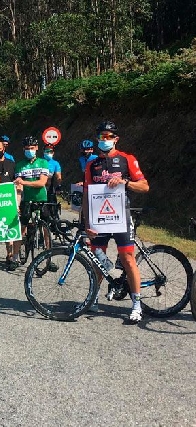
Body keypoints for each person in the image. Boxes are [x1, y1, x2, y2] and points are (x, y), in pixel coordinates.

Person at [82, 121, 149, 323]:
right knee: (98, 258)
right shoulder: (92, 164)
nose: (104, 140)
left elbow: (145, 186)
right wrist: (87, 222)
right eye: (101, 136)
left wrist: (125, 182)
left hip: (121, 217)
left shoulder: (127, 159)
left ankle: (136, 304)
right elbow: (86, 194)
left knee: (128, 259)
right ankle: (94, 296)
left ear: (116, 139)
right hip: (100, 220)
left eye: (108, 136)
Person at [9, 136, 50, 272]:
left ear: (37, 148)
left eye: (32, 148)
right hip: (27, 200)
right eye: (27, 149)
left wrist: (24, 182)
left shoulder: (43, 162)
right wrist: (17, 205)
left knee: (46, 230)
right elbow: (19, 189)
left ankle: (49, 258)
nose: (30, 151)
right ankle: (15, 257)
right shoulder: (20, 165)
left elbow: (41, 183)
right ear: (23, 149)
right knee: (21, 229)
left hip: (42, 199)